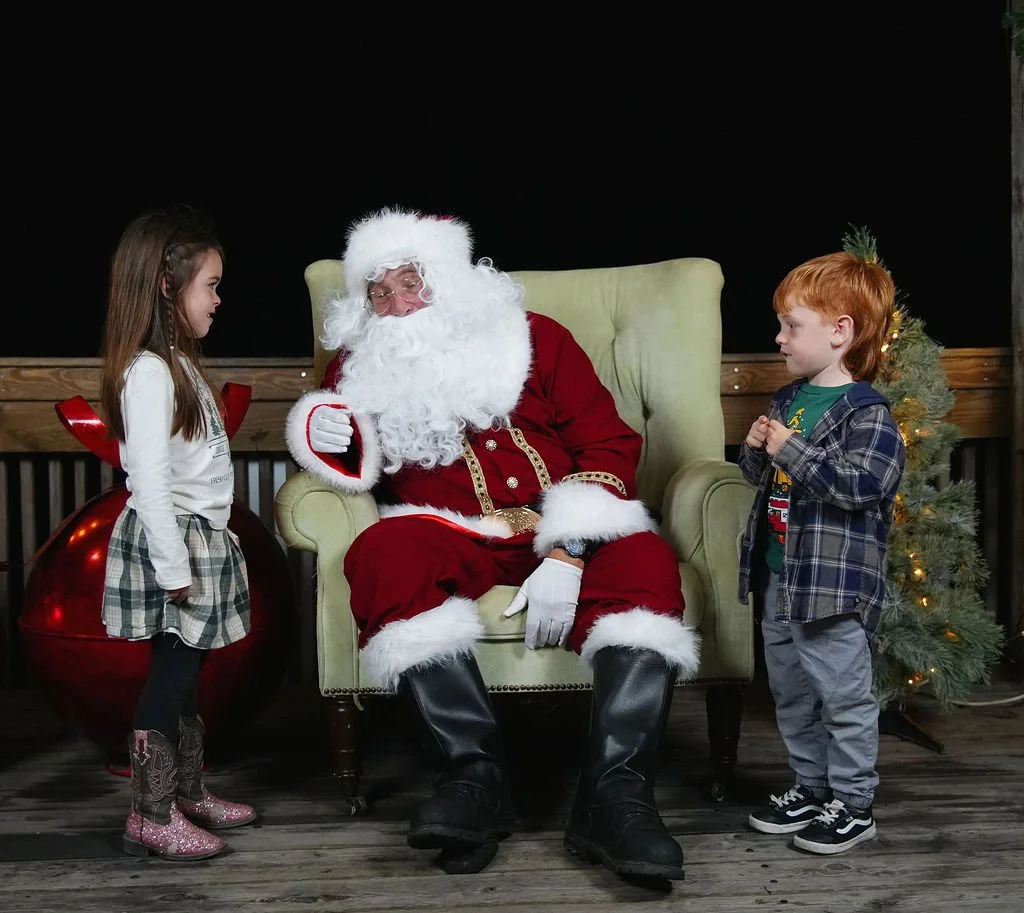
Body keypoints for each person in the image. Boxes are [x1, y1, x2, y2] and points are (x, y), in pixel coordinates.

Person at [285, 208, 700, 879]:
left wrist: (569, 548)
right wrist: (323, 436)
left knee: (646, 558)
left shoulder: (538, 339)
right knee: (384, 553)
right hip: (454, 533)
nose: (397, 305)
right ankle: (472, 779)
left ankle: (615, 798)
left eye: (411, 282)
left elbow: (607, 443)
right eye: (379, 293)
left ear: (447, 280)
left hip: (566, 524)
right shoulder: (358, 370)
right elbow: (353, 462)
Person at [98, 207, 256, 860]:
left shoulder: (179, 365)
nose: (217, 299)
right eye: (210, 285)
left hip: (201, 536)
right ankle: (151, 813)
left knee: (188, 674)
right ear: (168, 286)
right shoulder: (148, 373)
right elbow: (148, 480)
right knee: (171, 673)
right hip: (176, 542)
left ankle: (185, 792)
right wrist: (173, 567)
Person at [737, 250, 906, 855]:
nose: (779, 338)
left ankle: (854, 803)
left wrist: (790, 450)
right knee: (791, 692)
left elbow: (862, 487)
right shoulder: (788, 401)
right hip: (780, 578)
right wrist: (757, 449)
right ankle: (812, 787)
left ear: (840, 332)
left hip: (831, 590)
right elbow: (763, 480)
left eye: (791, 326)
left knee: (842, 697)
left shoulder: (868, 414)